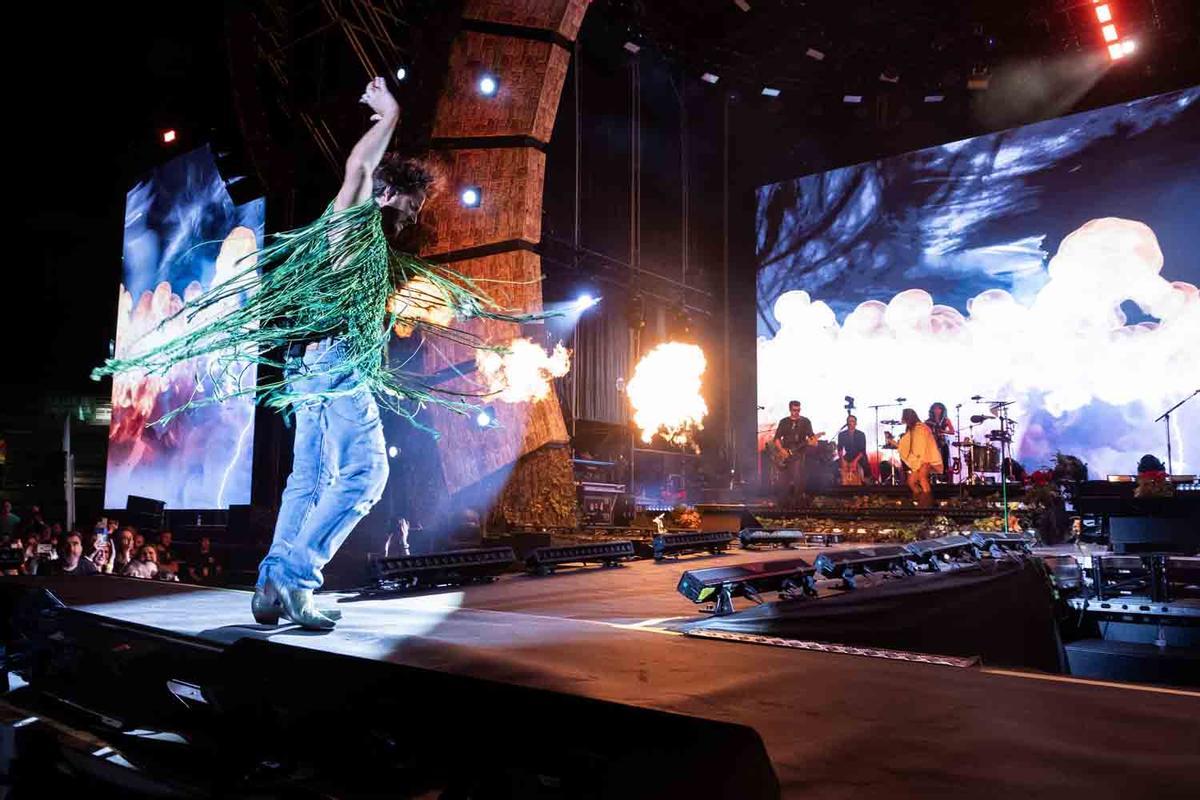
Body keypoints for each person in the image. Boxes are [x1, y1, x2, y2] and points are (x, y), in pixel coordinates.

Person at [92, 77, 543, 629]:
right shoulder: (353, 221)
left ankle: (271, 584)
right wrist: (390, 116)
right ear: (385, 193)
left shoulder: (367, 246)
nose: (416, 212)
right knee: (367, 473)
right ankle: (296, 578)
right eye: (412, 201)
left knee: (309, 477)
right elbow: (356, 169)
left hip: (314, 365)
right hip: (335, 365)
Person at [772, 401, 817, 506]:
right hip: (785, 453)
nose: (796, 412)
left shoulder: (805, 422)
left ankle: (797, 503)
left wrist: (814, 441)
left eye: (798, 410)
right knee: (783, 479)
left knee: (798, 478)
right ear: (790, 410)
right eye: (794, 410)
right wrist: (781, 450)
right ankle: (782, 503)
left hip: (799, 454)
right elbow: (777, 439)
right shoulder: (784, 422)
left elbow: (812, 437)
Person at [898, 408, 943, 507]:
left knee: (923, 478)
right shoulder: (913, 429)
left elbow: (923, 446)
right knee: (911, 482)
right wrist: (892, 442)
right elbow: (904, 444)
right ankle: (921, 500)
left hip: (925, 459)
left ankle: (927, 504)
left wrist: (922, 460)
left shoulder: (922, 428)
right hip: (919, 460)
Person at [926, 402, 955, 482]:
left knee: (943, 459)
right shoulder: (928, 421)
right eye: (935, 408)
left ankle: (943, 477)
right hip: (932, 443)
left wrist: (943, 431)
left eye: (939, 408)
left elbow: (952, 431)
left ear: (942, 410)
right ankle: (932, 477)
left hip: (942, 442)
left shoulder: (946, 420)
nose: (937, 410)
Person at [837, 415, 868, 485]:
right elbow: (840, 449)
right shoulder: (842, 434)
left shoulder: (861, 434)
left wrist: (855, 461)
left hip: (859, 456)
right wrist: (842, 459)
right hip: (848, 455)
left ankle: (862, 482)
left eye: (852, 421)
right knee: (834, 465)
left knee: (863, 465)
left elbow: (862, 450)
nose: (851, 423)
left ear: (856, 423)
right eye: (849, 421)